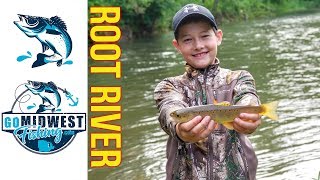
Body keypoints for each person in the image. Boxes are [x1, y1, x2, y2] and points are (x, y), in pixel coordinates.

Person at [154, 3, 261, 180]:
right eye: (188, 39)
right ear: (177, 45)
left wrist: (250, 110)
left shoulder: (239, 78)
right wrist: (180, 130)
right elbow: (169, 111)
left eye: (205, 36)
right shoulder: (168, 87)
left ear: (218, 37)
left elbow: (247, 95)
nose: (198, 45)